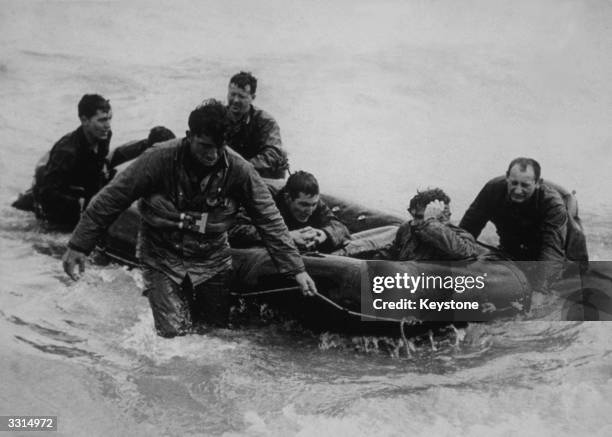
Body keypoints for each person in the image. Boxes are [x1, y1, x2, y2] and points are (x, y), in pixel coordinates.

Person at [62, 100, 316, 338]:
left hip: (212, 260)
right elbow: (111, 198)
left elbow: (269, 219)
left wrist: (297, 269)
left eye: (219, 147)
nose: (213, 156)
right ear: (189, 135)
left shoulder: (239, 169)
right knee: (172, 339)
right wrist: (78, 245)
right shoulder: (158, 158)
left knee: (213, 337)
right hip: (161, 255)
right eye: (205, 146)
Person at [459, 157, 588, 292]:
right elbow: (466, 230)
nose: (518, 190)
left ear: (538, 183)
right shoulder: (492, 190)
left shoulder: (552, 204)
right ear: (507, 177)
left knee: (570, 279)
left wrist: (540, 292)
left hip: (563, 243)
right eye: (514, 183)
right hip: (516, 242)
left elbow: (552, 252)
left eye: (525, 185)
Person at [31, 94, 113, 227]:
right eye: (102, 120)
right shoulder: (67, 152)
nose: (108, 125)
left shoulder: (104, 136)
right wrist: (81, 204)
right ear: (84, 120)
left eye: (109, 119)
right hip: (57, 201)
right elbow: (47, 193)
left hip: (78, 187)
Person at [229, 171, 350, 253]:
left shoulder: (314, 203)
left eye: (313, 205)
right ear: (288, 198)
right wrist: (287, 236)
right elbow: (236, 230)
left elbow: (340, 227)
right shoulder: (264, 199)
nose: (309, 211)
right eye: (303, 205)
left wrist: (323, 234)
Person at [387, 188, 489, 261]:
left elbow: (463, 252)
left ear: (444, 216)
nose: (416, 223)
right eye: (415, 216)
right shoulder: (407, 228)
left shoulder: (460, 236)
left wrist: (431, 222)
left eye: (421, 217)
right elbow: (393, 252)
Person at [225, 71, 289, 179]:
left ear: (252, 97)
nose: (235, 100)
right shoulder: (218, 116)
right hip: (226, 173)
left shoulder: (266, 122)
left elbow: (272, 154)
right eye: (232, 94)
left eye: (241, 96)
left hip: (259, 176)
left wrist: (241, 167)